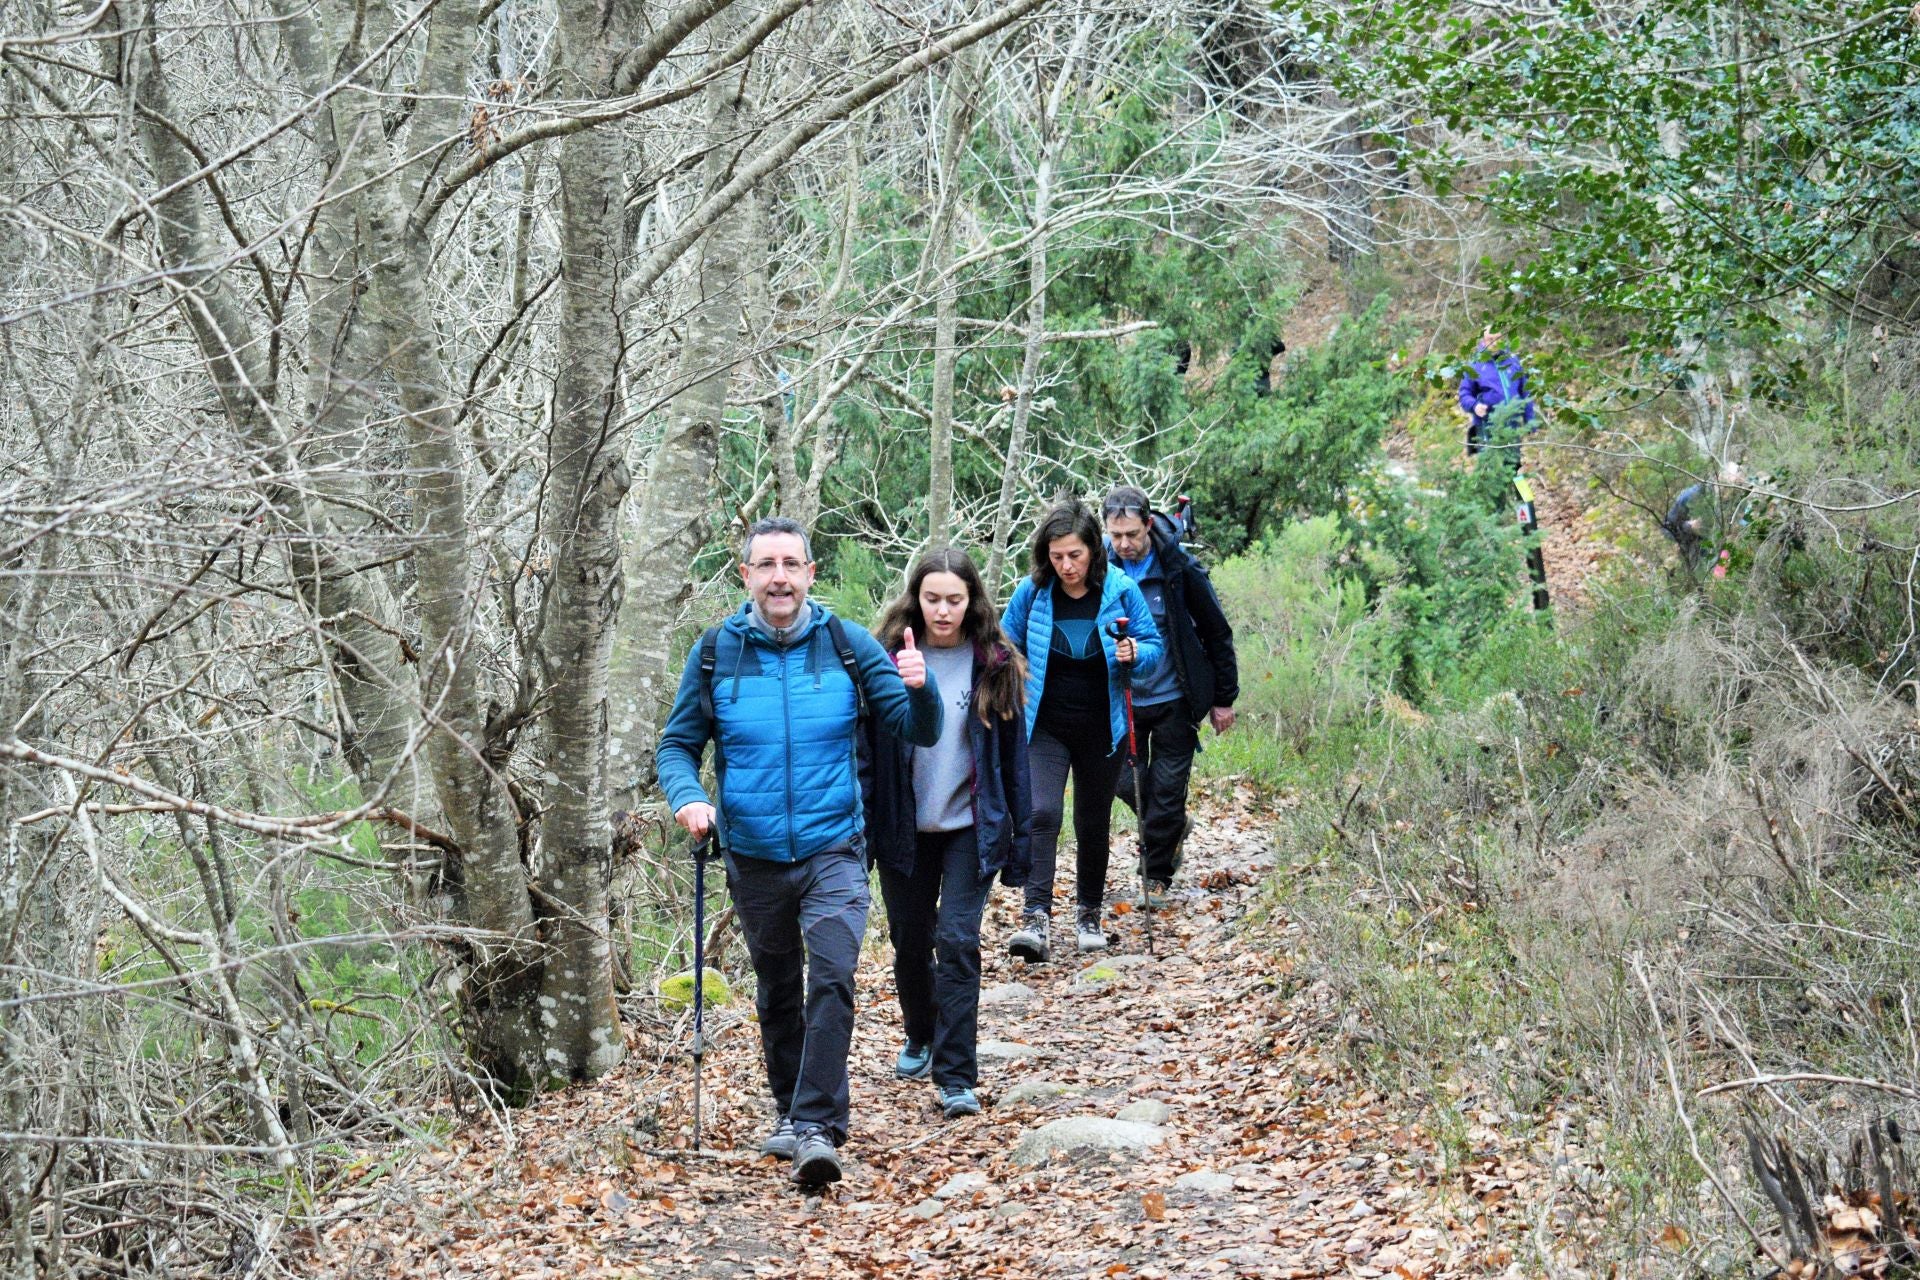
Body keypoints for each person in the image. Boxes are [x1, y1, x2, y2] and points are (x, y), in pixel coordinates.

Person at [655, 516, 943, 1189]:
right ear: (746, 575)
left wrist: (920, 688)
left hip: (834, 847)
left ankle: (817, 1126)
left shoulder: (846, 646)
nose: (779, 576)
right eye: (766, 565)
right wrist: (687, 798)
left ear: (811, 575)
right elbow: (676, 745)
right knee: (778, 989)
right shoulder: (714, 652)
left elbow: (916, 732)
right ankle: (789, 1110)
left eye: (791, 564)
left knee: (835, 976)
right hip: (752, 855)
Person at [864, 549, 1031, 1121]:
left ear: (972, 601)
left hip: (970, 827)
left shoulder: (996, 662)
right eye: (932, 598)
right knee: (911, 940)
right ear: (915, 598)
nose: (942, 610)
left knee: (957, 941)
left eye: (954, 599)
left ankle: (956, 1074)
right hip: (902, 828)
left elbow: (1015, 762)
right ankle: (920, 1032)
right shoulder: (883, 659)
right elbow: (864, 754)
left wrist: (1022, 844)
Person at [1000, 499, 1163, 961]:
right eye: (1056, 557)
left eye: (1075, 555)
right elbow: (1001, 643)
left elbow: (1153, 647)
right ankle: (1035, 917)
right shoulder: (1032, 593)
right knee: (1041, 813)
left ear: (1094, 548)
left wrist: (1135, 652)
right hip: (1044, 724)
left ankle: (1088, 914)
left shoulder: (1120, 589)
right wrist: (1011, 672)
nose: (1066, 566)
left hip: (1103, 726)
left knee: (1093, 823)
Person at [1101, 486, 1239, 906]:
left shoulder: (1178, 567)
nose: (1124, 544)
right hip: (1119, 698)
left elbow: (1217, 631)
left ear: (1147, 524)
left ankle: (1155, 876)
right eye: (1115, 535)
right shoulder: (1097, 568)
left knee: (1164, 789)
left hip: (1174, 695)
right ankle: (1172, 825)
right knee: (1122, 781)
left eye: (1131, 534)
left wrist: (1224, 697)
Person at [1457, 330, 1536, 460]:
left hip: (1512, 425)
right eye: (1490, 339)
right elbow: (1464, 394)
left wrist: (1530, 421)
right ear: (1483, 340)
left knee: (1513, 464)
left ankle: (1517, 480)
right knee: (1490, 466)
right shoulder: (1474, 365)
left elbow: (1525, 391)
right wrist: (1475, 406)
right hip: (1487, 425)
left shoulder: (1513, 361)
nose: (1494, 343)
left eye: (1497, 338)